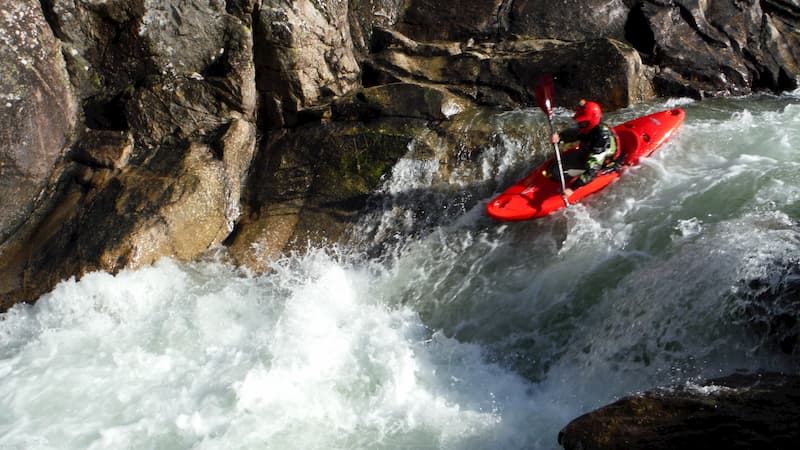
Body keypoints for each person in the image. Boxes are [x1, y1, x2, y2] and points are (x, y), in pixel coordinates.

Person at [547, 99, 620, 196]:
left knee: (562, 173)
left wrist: (572, 189)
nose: (579, 125)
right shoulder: (587, 127)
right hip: (586, 154)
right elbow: (575, 134)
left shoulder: (600, 139)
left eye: (582, 123)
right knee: (553, 167)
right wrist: (560, 137)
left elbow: (592, 171)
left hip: (602, 164)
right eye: (579, 123)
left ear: (591, 121)